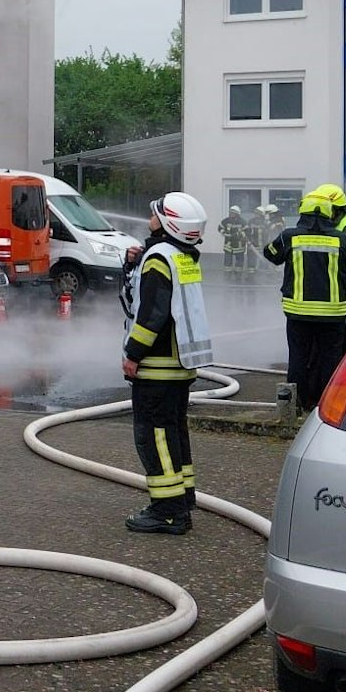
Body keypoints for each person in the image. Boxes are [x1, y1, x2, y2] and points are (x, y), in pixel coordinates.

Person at [119, 191, 212, 535]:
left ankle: (168, 512)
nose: (150, 217)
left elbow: (151, 315)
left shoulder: (159, 259)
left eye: (156, 213)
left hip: (156, 365)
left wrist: (133, 354)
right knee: (173, 433)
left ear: (169, 221)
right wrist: (133, 265)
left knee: (154, 436)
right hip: (179, 365)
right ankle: (182, 500)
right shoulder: (181, 256)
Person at [262, 188, 346, 413]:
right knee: (330, 359)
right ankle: (325, 405)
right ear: (330, 213)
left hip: (298, 312)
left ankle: (295, 406)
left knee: (298, 358)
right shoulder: (343, 239)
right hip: (333, 314)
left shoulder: (289, 236)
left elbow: (270, 254)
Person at [218, 206, 247, 276]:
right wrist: (223, 232)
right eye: (230, 212)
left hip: (239, 245)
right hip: (229, 245)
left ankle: (238, 275)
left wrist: (239, 235)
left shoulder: (242, 221)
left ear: (237, 214)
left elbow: (246, 231)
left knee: (239, 261)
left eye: (233, 213)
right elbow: (219, 228)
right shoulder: (226, 220)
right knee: (227, 260)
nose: (231, 214)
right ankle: (227, 275)